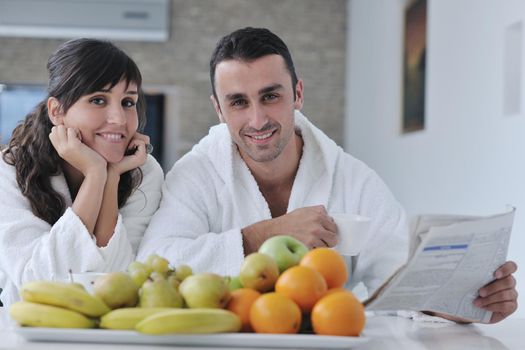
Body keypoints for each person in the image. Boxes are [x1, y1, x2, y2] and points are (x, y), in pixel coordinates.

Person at [138, 27, 517, 323]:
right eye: (238, 102)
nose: (257, 120)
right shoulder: (196, 173)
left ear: (298, 93)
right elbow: (157, 262)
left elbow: (398, 272)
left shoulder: (351, 178)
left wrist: (452, 303)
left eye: (271, 96)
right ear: (219, 110)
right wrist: (266, 234)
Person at [0, 38, 164, 306]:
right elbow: (39, 282)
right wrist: (95, 175)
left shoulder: (142, 171)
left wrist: (110, 179)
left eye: (128, 102)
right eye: (98, 100)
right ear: (57, 110)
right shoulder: (9, 172)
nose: (120, 119)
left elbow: (119, 277)